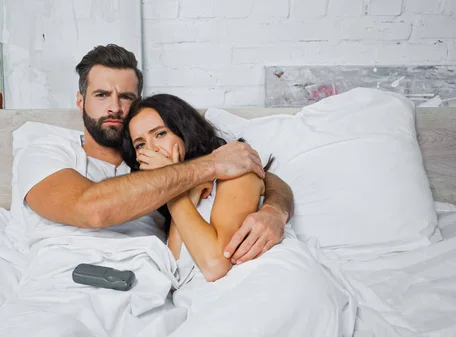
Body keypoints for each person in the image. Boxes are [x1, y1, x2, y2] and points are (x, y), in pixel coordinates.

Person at [20, 44, 294, 262]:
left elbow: (256, 172)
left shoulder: (152, 158)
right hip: (69, 274)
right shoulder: (48, 151)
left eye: (126, 97)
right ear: (80, 101)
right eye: (102, 95)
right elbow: (93, 211)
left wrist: (275, 210)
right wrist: (208, 166)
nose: (114, 107)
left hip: (150, 284)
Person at [120, 93, 274, 282]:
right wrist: (174, 188)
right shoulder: (175, 202)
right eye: (140, 144)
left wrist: (171, 181)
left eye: (160, 134)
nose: (152, 149)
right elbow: (177, 274)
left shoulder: (235, 173)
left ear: (184, 131)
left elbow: (216, 265)